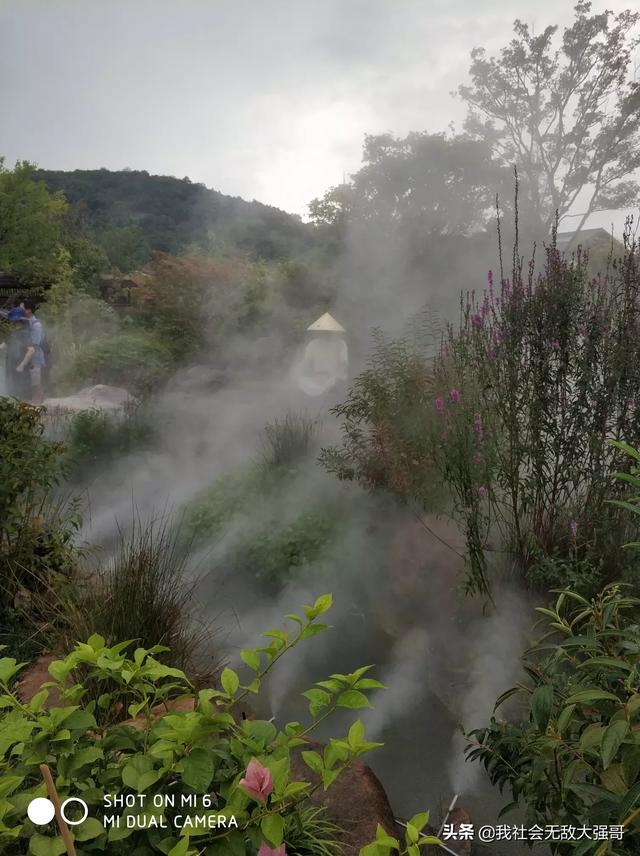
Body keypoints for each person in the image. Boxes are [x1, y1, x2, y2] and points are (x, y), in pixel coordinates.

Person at [16, 298, 46, 404]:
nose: (19, 310)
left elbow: (33, 348)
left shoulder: (36, 325)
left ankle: (38, 402)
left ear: (28, 310)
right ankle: (37, 400)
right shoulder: (26, 322)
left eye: (21, 308)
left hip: (35, 356)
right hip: (29, 355)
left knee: (36, 381)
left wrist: (22, 365)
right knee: (33, 381)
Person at [4, 307, 32, 400]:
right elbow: (5, 344)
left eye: (13, 321)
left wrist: (22, 365)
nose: (12, 322)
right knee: (13, 394)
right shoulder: (14, 333)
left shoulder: (24, 333)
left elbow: (31, 350)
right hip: (12, 368)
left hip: (20, 370)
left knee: (22, 397)